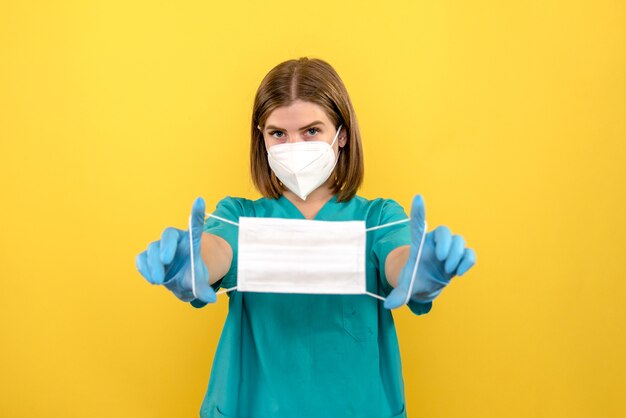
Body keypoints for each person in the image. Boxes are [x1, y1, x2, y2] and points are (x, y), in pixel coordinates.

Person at [136, 57, 476, 418]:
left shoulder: (377, 218)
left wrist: (421, 269)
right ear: (262, 138)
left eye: (312, 131)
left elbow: (397, 256)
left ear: (342, 135)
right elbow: (217, 248)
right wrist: (189, 263)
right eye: (278, 133)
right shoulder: (241, 216)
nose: (293, 145)